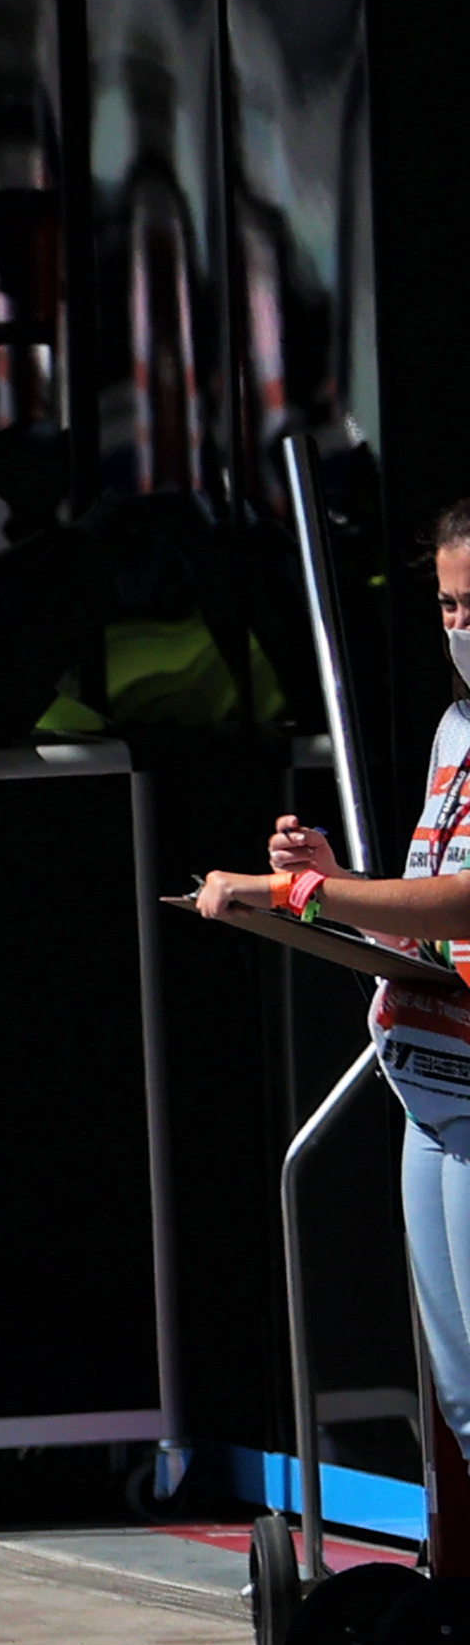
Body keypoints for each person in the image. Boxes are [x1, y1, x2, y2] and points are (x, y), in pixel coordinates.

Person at [194, 489, 470, 1584]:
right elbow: (422, 890)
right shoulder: (457, 728)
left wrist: (313, 894)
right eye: (448, 604)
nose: (458, 625)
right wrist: (337, 880)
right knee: (459, 1397)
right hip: (430, 1084)